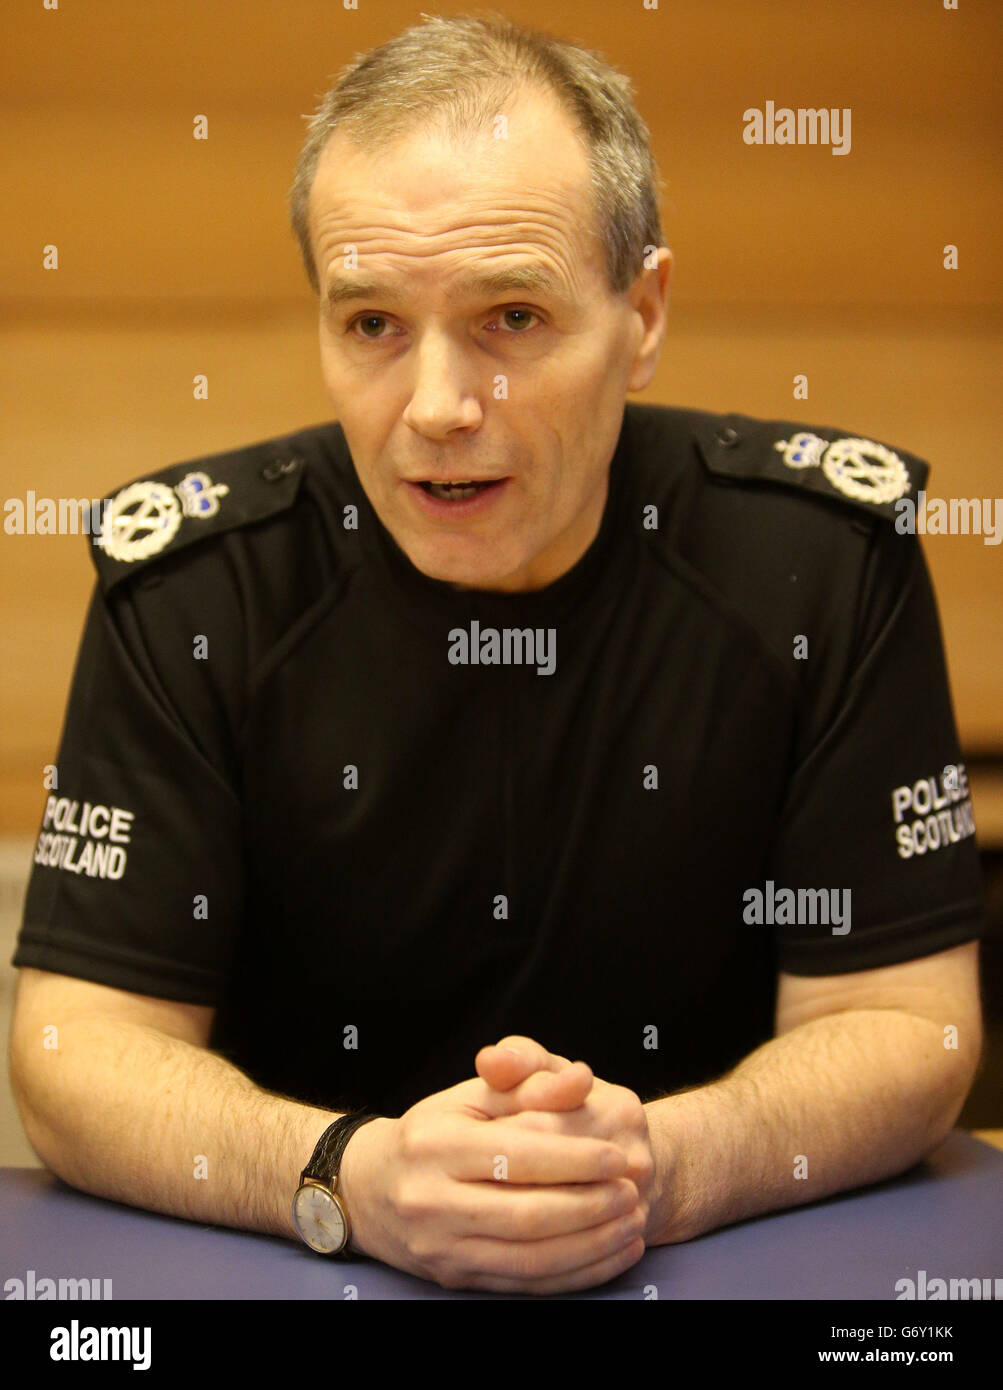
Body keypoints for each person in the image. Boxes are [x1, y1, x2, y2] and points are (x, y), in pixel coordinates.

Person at [9, 13, 985, 1295]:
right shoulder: (199, 588)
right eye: (370, 324)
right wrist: (342, 1178)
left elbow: (907, 1021)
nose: (434, 408)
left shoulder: (820, 564)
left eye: (511, 316)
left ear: (640, 314)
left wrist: (660, 1166)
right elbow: (78, 1043)